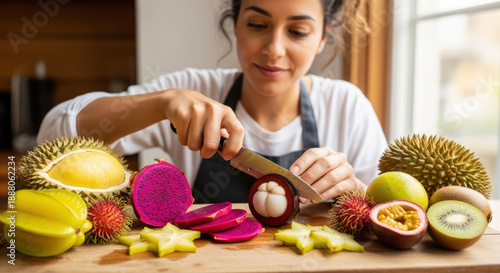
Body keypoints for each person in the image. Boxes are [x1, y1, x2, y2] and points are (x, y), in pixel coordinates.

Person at [37, 0, 387, 204]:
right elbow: (52, 137)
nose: (274, 49)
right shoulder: (191, 88)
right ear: (236, 24)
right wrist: (160, 103)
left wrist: (354, 190)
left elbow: (384, 210)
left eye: (297, 32)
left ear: (323, 36)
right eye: (257, 24)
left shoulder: (347, 106)